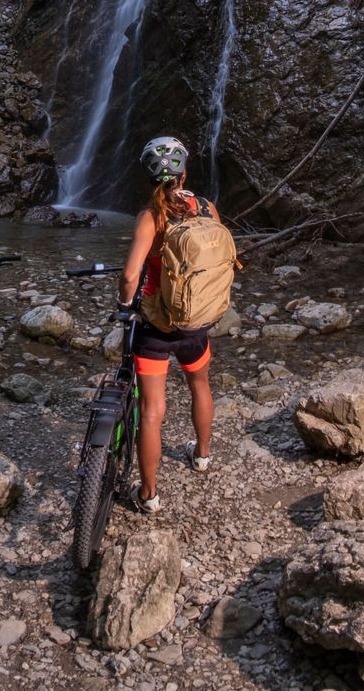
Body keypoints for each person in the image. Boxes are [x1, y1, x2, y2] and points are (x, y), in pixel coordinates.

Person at [118, 136, 222, 512]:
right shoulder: (206, 208)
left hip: (157, 327)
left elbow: (130, 276)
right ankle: (202, 455)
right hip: (196, 320)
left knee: (152, 410)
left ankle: (149, 494)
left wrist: (124, 305)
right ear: (184, 174)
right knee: (200, 384)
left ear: (150, 178)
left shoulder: (151, 218)